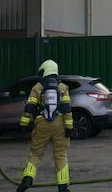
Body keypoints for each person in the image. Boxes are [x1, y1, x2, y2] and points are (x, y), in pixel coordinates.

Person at [16, 59, 73, 192]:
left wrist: (24, 124)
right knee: (60, 154)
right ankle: (63, 186)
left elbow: (29, 107)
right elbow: (67, 109)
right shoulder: (63, 87)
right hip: (59, 123)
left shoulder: (37, 87)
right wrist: (69, 127)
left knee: (35, 153)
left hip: (42, 123)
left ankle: (27, 179)